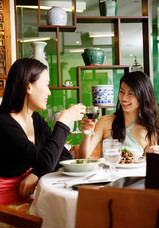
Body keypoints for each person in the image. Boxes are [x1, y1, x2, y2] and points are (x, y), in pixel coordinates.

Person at [0, 57, 86, 207]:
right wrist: (63, 122)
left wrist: (36, 173)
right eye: (46, 85)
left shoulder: (36, 119)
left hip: (30, 199)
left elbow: (62, 157)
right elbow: (46, 161)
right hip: (6, 209)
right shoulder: (4, 123)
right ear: (28, 87)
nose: (49, 92)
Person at [79, 71, 159, 159]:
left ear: (143, 96)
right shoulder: (105, 121)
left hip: (135, 173)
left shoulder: (148, 129)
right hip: (108, 172)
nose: (124, 98)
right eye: (121, 91)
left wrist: (150, 155)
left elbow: (150, 165)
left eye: (130, 93)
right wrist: (87, 134)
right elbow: (83, 157)